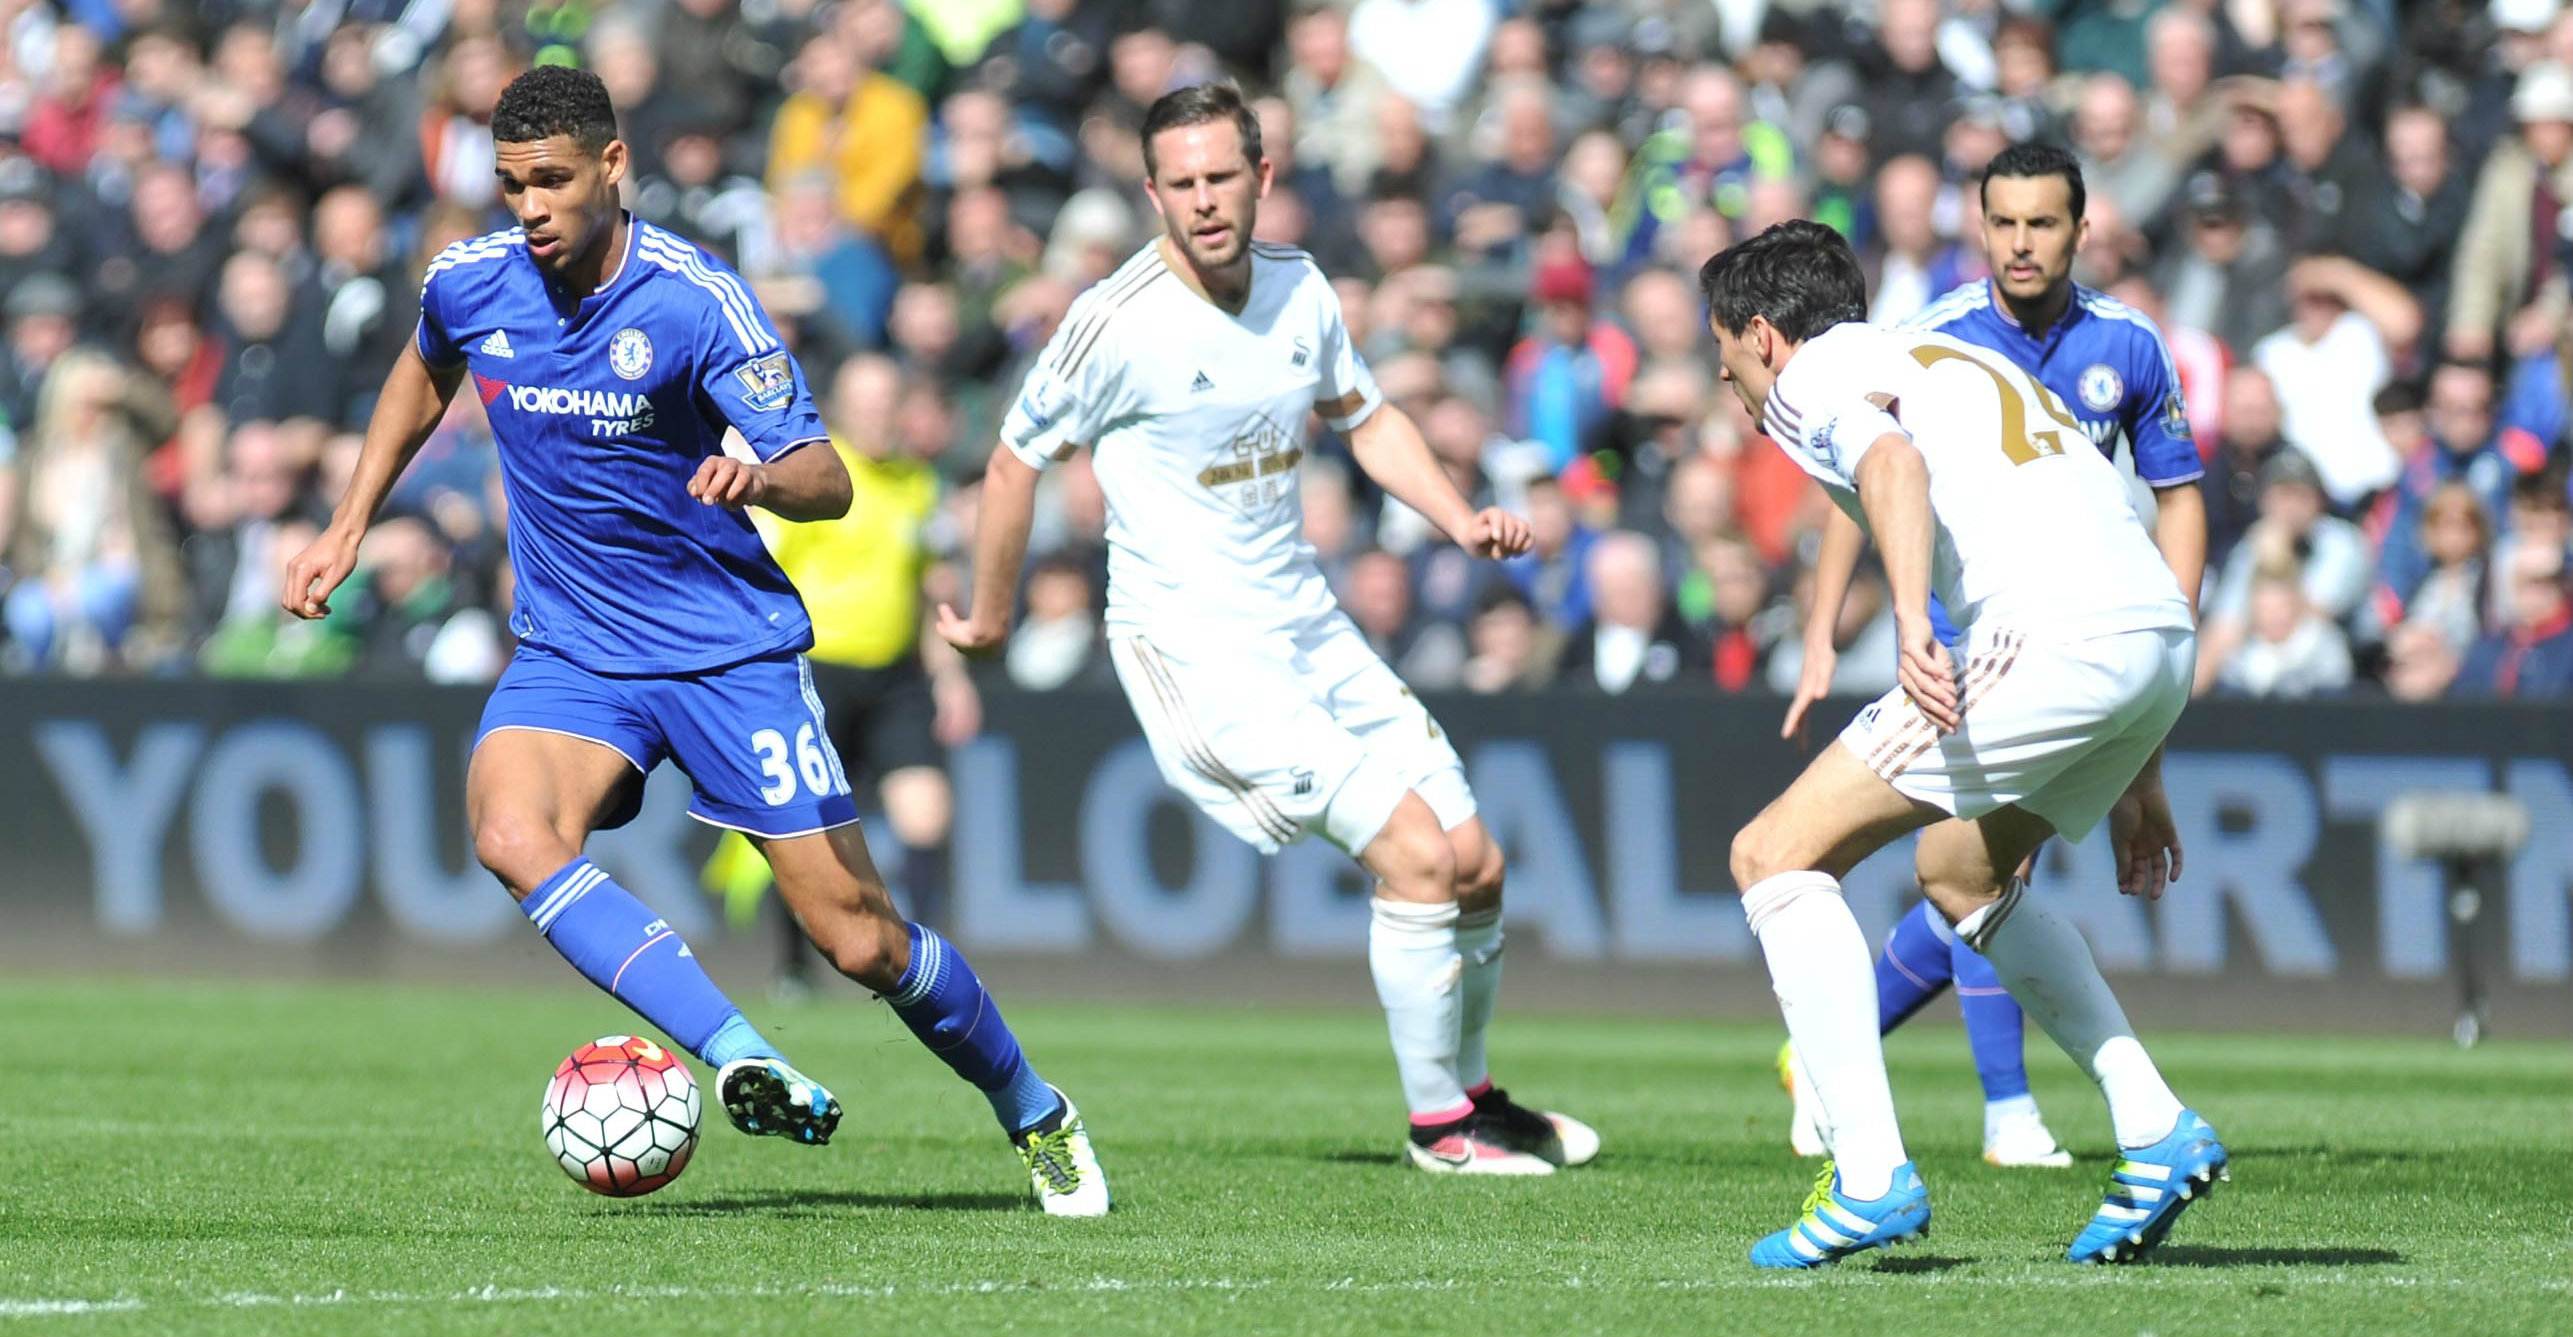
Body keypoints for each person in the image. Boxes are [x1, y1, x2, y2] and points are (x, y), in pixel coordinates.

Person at [280, 67, 1105, 1217]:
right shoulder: (470, 284)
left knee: (859, 942)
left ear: (613, 167)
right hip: (575, 649)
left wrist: (754, 472)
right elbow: (424, 369)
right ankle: (736, 1049)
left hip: (726, 651)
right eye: (511, 183)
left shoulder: (694, 300)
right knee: (510, 828)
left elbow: (827, 482)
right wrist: (348, 520)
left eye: (552, 181)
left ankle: (1032, 1107)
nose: (528, 206)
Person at [940, 82, 1597, 1176]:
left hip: (1308, 623)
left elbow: (1366, 415)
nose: (1203, 201)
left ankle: (1471, 1093)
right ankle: (1438, 1129)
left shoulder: (1299, 288)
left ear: (1262, 177)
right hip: (1195, 650)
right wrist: (995, 613)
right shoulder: (1116, 320)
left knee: (1474, 862)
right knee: (1417, 857)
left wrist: (1455, 515)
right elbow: (1013, 460)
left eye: (1221, 177)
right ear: (1152, 192)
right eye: (1181, 183)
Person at [1701, 220, 2221, 1269]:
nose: (1732, 391)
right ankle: (2154, 1126)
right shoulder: (1940, 354)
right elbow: (2105, 510)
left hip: (2045, 636)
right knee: (1957, 868)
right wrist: (2139, 765)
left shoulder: (1815, 376)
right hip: (2153, 637)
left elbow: (1888, 464)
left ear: (1761, 334)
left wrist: (1904, 623)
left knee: (1770, 855)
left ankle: (1866, 1177)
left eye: (1724, 363)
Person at [699, 353, 980, 987]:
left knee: (927, 815)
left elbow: (927, 584)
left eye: (888, 399)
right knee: (805, 830)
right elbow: (763, 566)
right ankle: (795, 969)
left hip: (895, 676)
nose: (878, 412)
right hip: (816, 673)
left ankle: (928, 965)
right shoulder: (817, 478)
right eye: (866, 400)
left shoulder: (918, 483)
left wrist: (951, 675)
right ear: (843, 408)